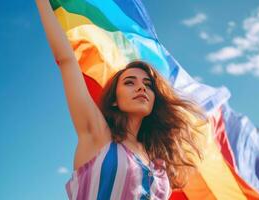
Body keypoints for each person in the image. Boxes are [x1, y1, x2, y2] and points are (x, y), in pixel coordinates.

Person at [35, 0, 206, 199]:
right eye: (130, 82)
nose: (141, 87)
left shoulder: (159, 164)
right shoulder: (98, 136)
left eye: (148, 85)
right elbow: (66, 61)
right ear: (115, 100)